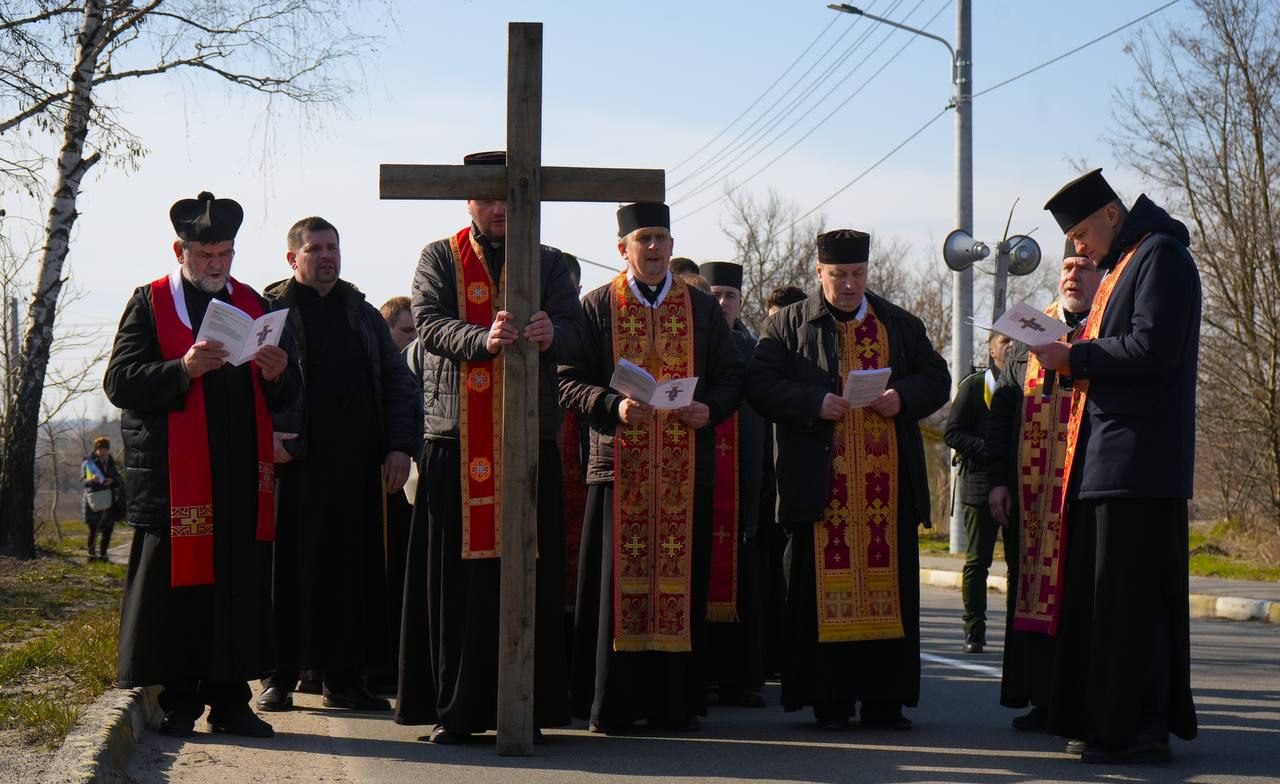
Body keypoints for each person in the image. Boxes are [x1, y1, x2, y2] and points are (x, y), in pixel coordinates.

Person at [398, 150, 580, 744]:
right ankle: (457, 709)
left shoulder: (553, 262)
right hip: (457, 438)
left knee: (529, 575)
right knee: (459, 586)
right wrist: (484, 337)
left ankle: (528, 708)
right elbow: (428, 322)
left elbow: (579, 329)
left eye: (510, 196)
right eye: (488, 196)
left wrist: (556, 332)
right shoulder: (438, 256)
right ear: (468, 200)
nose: (500, 207)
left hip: (530, 442)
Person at [104, 191, 297, 738]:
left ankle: (232, 701)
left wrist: (280, 372)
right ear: (180, 250)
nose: (216, 265)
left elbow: (287, 395)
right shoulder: (150, 301)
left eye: (225, 254)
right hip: (174, 480)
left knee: (236, 587)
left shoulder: (254, 304)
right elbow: (119, 383)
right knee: (180, 593)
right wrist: (182, 368)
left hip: (238, 476)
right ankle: (179, 700)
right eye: (206, 255)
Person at [746, 229, 949, 731]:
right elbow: (759, 383)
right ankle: (828, 699)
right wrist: (813, 403)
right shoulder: (789, 326)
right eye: (838, 275)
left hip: (886, 489)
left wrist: (902, 397)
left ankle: (886, 700)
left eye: (857, 274)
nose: (849, 284)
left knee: (890, 593)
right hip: (819, 488)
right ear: (819, 274)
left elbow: (937, 378)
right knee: (815, 595)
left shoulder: (899, 323)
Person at [1030, 168, 1199, 763]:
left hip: (1142, 463)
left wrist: (1072, 356)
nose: (1078, 247)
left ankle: (1139, 729)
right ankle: (1105, 718)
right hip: (1108, 458)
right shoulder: (1128, 260)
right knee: (1106, 602)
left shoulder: (1162, 256)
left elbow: (1152, 347)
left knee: (1135, 605)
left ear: (1109, 213)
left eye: (1079, 234)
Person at [559, 202, 745, 733]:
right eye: (644, 239)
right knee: (614, 586)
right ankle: (613, 702)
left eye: (662, 238)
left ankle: (673, 703)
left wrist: (711, 408)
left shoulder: (702, 310)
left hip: (686, 470)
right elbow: (566, 378)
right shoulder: (596, 306)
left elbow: (733, 377)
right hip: (618, 467)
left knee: (681, 581)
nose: (655, 248)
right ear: (623, 248)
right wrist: (611, 405)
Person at [255, 217, 416, 713]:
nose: (326, 256)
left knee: (351, 574)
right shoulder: (270, 312)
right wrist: (267, 438)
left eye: (333, 248)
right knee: (290, 574)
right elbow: (245, 387)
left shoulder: (363, 314)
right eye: (315, 248)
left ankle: (344, 680)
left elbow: (397, 384)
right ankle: (278, 676)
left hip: (355, 467)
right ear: (292, 258)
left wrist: (398, 446)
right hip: (294, 466)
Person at [985, 241, 1101, 732]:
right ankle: (1040, 698)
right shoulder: (1031, 331)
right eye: (1068, 267)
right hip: (1030, 492)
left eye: (1085, 267)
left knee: (1077, 596)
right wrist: (996, 482)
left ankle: (1078, 702)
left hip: (1080, 490)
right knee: (1029, 591)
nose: (1073, 275)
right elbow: (1004, 412)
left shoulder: (1105, 330)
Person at [698, 260, 771, 708]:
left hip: (747, 480)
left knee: (747, 578)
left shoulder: (754, 348)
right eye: (715, 295)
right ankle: (701, 674)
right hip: (705, 477)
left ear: (740, 302)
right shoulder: (693, 342)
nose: (722, 303)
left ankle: (740, 678)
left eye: (729, 296)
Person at [944, 332, 1014, 654]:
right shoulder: (974, 386)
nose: (1011, 347)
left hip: (1016, 486)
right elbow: (952, 433)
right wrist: (986, 449)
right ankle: (975, 629)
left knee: (1020, 565)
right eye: (1005, 341)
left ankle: (1019, 630)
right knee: (977, 562)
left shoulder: (1028, 384)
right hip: (978, 485)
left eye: (1016, 342)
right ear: (991, 348)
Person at [82, 436, 124, 562]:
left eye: (105, 449)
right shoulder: (88, 463)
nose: (103, 452)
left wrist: (113, 480)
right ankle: (91, 555)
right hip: (93, 501)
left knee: (108, 529)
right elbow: (84, 481)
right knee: (93, 529)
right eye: (100, 449)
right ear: (96, 449)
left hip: (108, 501)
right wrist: (91, 480)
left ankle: (103, 555)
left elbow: (119, 479)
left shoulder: (111, 463)